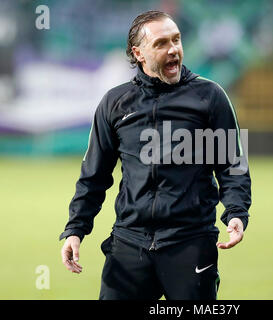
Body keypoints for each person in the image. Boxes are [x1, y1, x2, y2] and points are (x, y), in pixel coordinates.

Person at [60, 10, 251, 300]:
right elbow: (94, 176)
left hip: (190, 242)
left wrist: (236, 212)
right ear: (139, 53)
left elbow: (232, 166)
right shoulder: (115, 103)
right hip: (128, 242)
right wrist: (76, 228)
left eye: (176, 40)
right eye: (161, 43)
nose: (173, 49)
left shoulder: (210, 97)